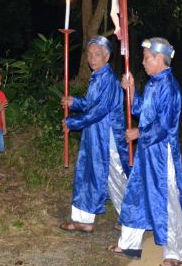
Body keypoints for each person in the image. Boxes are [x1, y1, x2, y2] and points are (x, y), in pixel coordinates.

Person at [108, 37, 182, 266]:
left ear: (159, 58)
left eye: (146, 58)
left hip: (162, 153)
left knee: (167, 199)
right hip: (147, 151)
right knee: (136, 193)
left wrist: (139, 133)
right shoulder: (154, 83)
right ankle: (129, 243)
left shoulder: (170, 86)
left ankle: (177, 251)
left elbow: (164, 126)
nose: (143, 62)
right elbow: (140, 110)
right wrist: (131, 90)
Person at [59, 36, 130, 232]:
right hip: (94, 133)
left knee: (115, 175)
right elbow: (92, 104)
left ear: (107, 57)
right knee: (87, 173)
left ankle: (131, 218)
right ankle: (83, 219)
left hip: (107, 137)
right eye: (89, 54)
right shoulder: (98, 76)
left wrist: (73, 122)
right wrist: (75, 102)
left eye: (97, 54)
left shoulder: (109, 80)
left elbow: (100, 110)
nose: (92, 58)